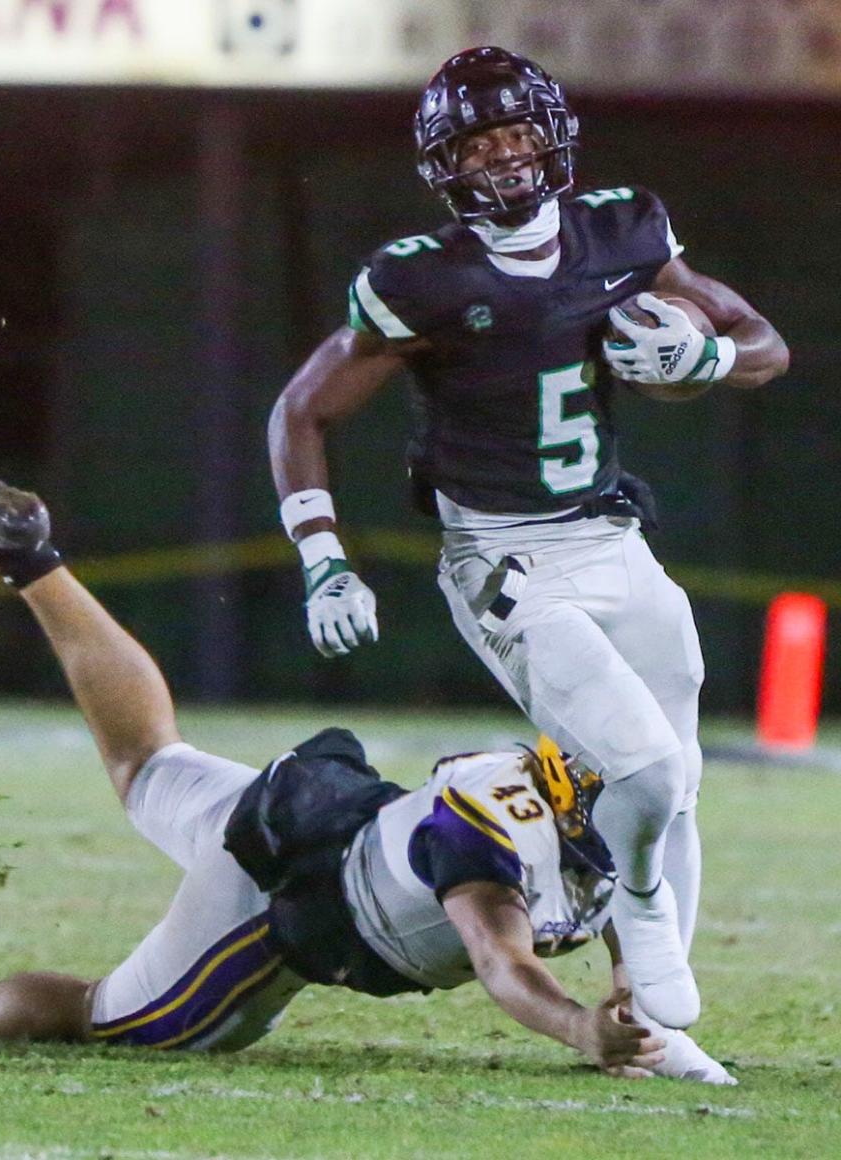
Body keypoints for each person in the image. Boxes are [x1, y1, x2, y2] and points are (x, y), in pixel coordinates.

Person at [0, 459, 734, 1083]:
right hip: (279, 898)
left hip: (316, 809)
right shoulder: (502, 826)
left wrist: (630, 998)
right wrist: (583, 1029)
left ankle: (32, 559)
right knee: (104, 1019)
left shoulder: (590, 804)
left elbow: (632, 887)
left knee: (148, 761)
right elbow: (501, 961)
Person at [267, 46, 789, 1031]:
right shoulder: (419, 281)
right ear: (442, 166)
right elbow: (299, 411)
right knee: (645, 770)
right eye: (477, 143)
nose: (502, 159)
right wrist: (323, 556)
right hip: (506, 561)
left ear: (554, 139)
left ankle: (652, 1023)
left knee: (676, 786)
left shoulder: (625, 231)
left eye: (516, 134)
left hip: (613, 539)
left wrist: (710, 352)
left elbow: (768, 346)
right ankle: (636, 903)